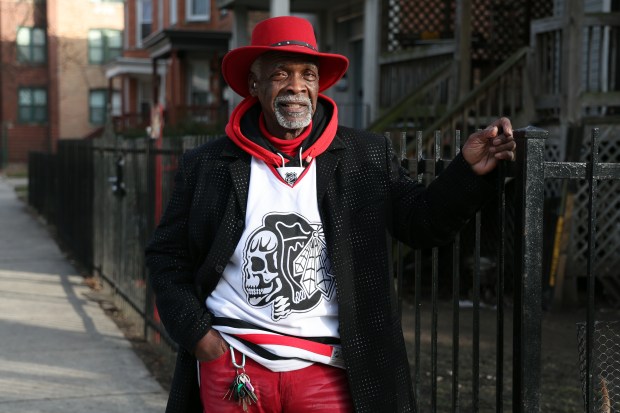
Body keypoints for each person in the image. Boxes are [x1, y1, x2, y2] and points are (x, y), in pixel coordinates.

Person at [145, 15, 516, 413]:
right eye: (280, 74)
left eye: (308, 73)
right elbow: (166, 256)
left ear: (320, 84)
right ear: (254, 84)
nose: (296, 86)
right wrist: (200, 336)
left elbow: (422, 222)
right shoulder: (209, 164)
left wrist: (467, 171)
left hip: (330, 371)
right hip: (234, 367)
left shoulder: (364, 157)